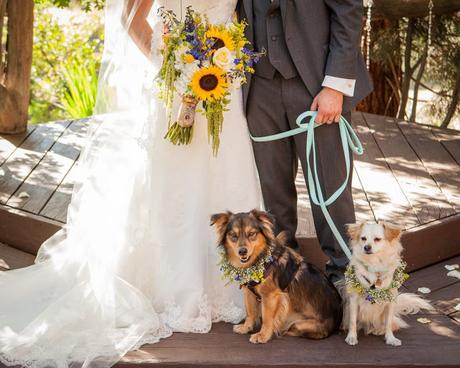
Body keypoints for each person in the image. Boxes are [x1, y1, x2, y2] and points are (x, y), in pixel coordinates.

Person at [0, 1, 263, 367]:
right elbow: (130, 18)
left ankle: (235, 289)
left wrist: (225, 61)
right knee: (177, 186)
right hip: (176, 87)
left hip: (226, 90)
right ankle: (176, 288)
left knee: (224, 173)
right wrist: (175, 67)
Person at [237, 0, 373, 283]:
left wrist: (335, 86)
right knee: (273, 192)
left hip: (317, 82)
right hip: (258, 86)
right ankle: (286, 280)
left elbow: (348, 10)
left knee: (330, 190)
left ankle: (345, 279)